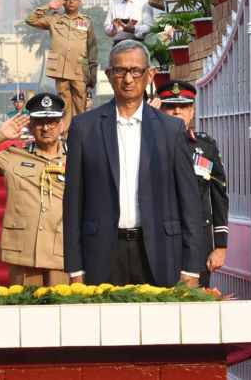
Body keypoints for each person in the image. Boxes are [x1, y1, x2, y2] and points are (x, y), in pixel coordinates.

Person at [63, 40, 203, 288]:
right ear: (109, 75)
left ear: (149, 75)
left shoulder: (170, 130)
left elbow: (189, 204)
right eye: (120, 71)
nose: (128, 79)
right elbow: (73, 203)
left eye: (136, 70)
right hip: (102, 253)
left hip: (159, 252)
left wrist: (191, 267)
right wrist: (75, 268)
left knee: (158, 327)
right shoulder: (85, 128)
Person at [0, 93, 69, 287]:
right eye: (39, 122)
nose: (46, 128)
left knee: (62, 310)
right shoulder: (13, 155)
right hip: (24, 251)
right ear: (30, 127)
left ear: (61, 125)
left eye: (52, 122)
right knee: (24, 311)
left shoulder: (77, 156)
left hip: (62, 250)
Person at [157, 81, 228, 288]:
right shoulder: (149, 145)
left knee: (196, 306)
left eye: (183, 106)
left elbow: (219, 196)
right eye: (170, 106)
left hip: (199, 241)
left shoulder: (205, 147)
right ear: (161, 110)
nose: (177, 111)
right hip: (160, 240)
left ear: (192, 112)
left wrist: (221, 245)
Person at [25, 0, 98, 135]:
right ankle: (65, 137)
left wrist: (93, 72)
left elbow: (92, 47)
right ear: (63, 1)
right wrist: (48, 6)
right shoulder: (54, 19)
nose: (71, 1)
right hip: (62, 69)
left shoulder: (87, 21)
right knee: (64, 105)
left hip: (79, 70)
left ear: (79, 1)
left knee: (80, 105)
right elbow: (30, 20)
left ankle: (81, 136)